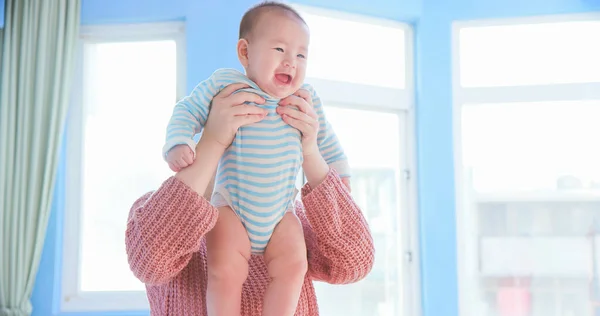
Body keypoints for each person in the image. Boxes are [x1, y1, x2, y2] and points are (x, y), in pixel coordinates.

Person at [159, 2, 351, 315]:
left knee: (293, 266)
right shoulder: (228, 85)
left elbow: (326, 140)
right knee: (225, 272)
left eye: (301, 54)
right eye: (280, 49)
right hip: (231, 208)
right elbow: (187, 109)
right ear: (245, 53)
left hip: (282, 214)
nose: (292, 62)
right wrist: (178, 142)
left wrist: (340, 178)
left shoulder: (305, 99)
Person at [125, 82, 375, 315]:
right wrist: (213, 141)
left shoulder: (291, 222)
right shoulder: (156, 213)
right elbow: (150, 262)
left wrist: (310, 152)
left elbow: (355, 262)